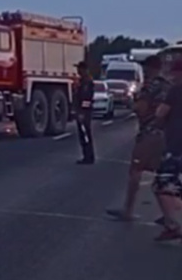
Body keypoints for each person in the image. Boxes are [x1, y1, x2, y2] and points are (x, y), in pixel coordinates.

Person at [106, 54, 171, 222]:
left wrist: (132, 105)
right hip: (166, 134)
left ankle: (128, 210)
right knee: (162, 174)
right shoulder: (168, 86)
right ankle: (169, 213)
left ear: (149, 68)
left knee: (136, 170)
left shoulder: (149, 86)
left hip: (149, 133)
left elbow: (141, 109)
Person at [150, 65, 182, 242]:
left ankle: (174, 225)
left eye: (174, 72)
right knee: (166, 186)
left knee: (163, 187)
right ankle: (171, 224)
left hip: (176, 145)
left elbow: (161, 112)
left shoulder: (175, 90)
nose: (171, 75)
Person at [74, 60, 95, 165]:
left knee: (85, 135)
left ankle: (88, 157)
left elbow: (86, 99)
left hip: (84, 113)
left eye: (79, 68)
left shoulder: (87, 82)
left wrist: (82, 112)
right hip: (83, 112)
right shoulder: (83, 81)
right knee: (83, 135)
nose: (78, 71)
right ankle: (87, 155)